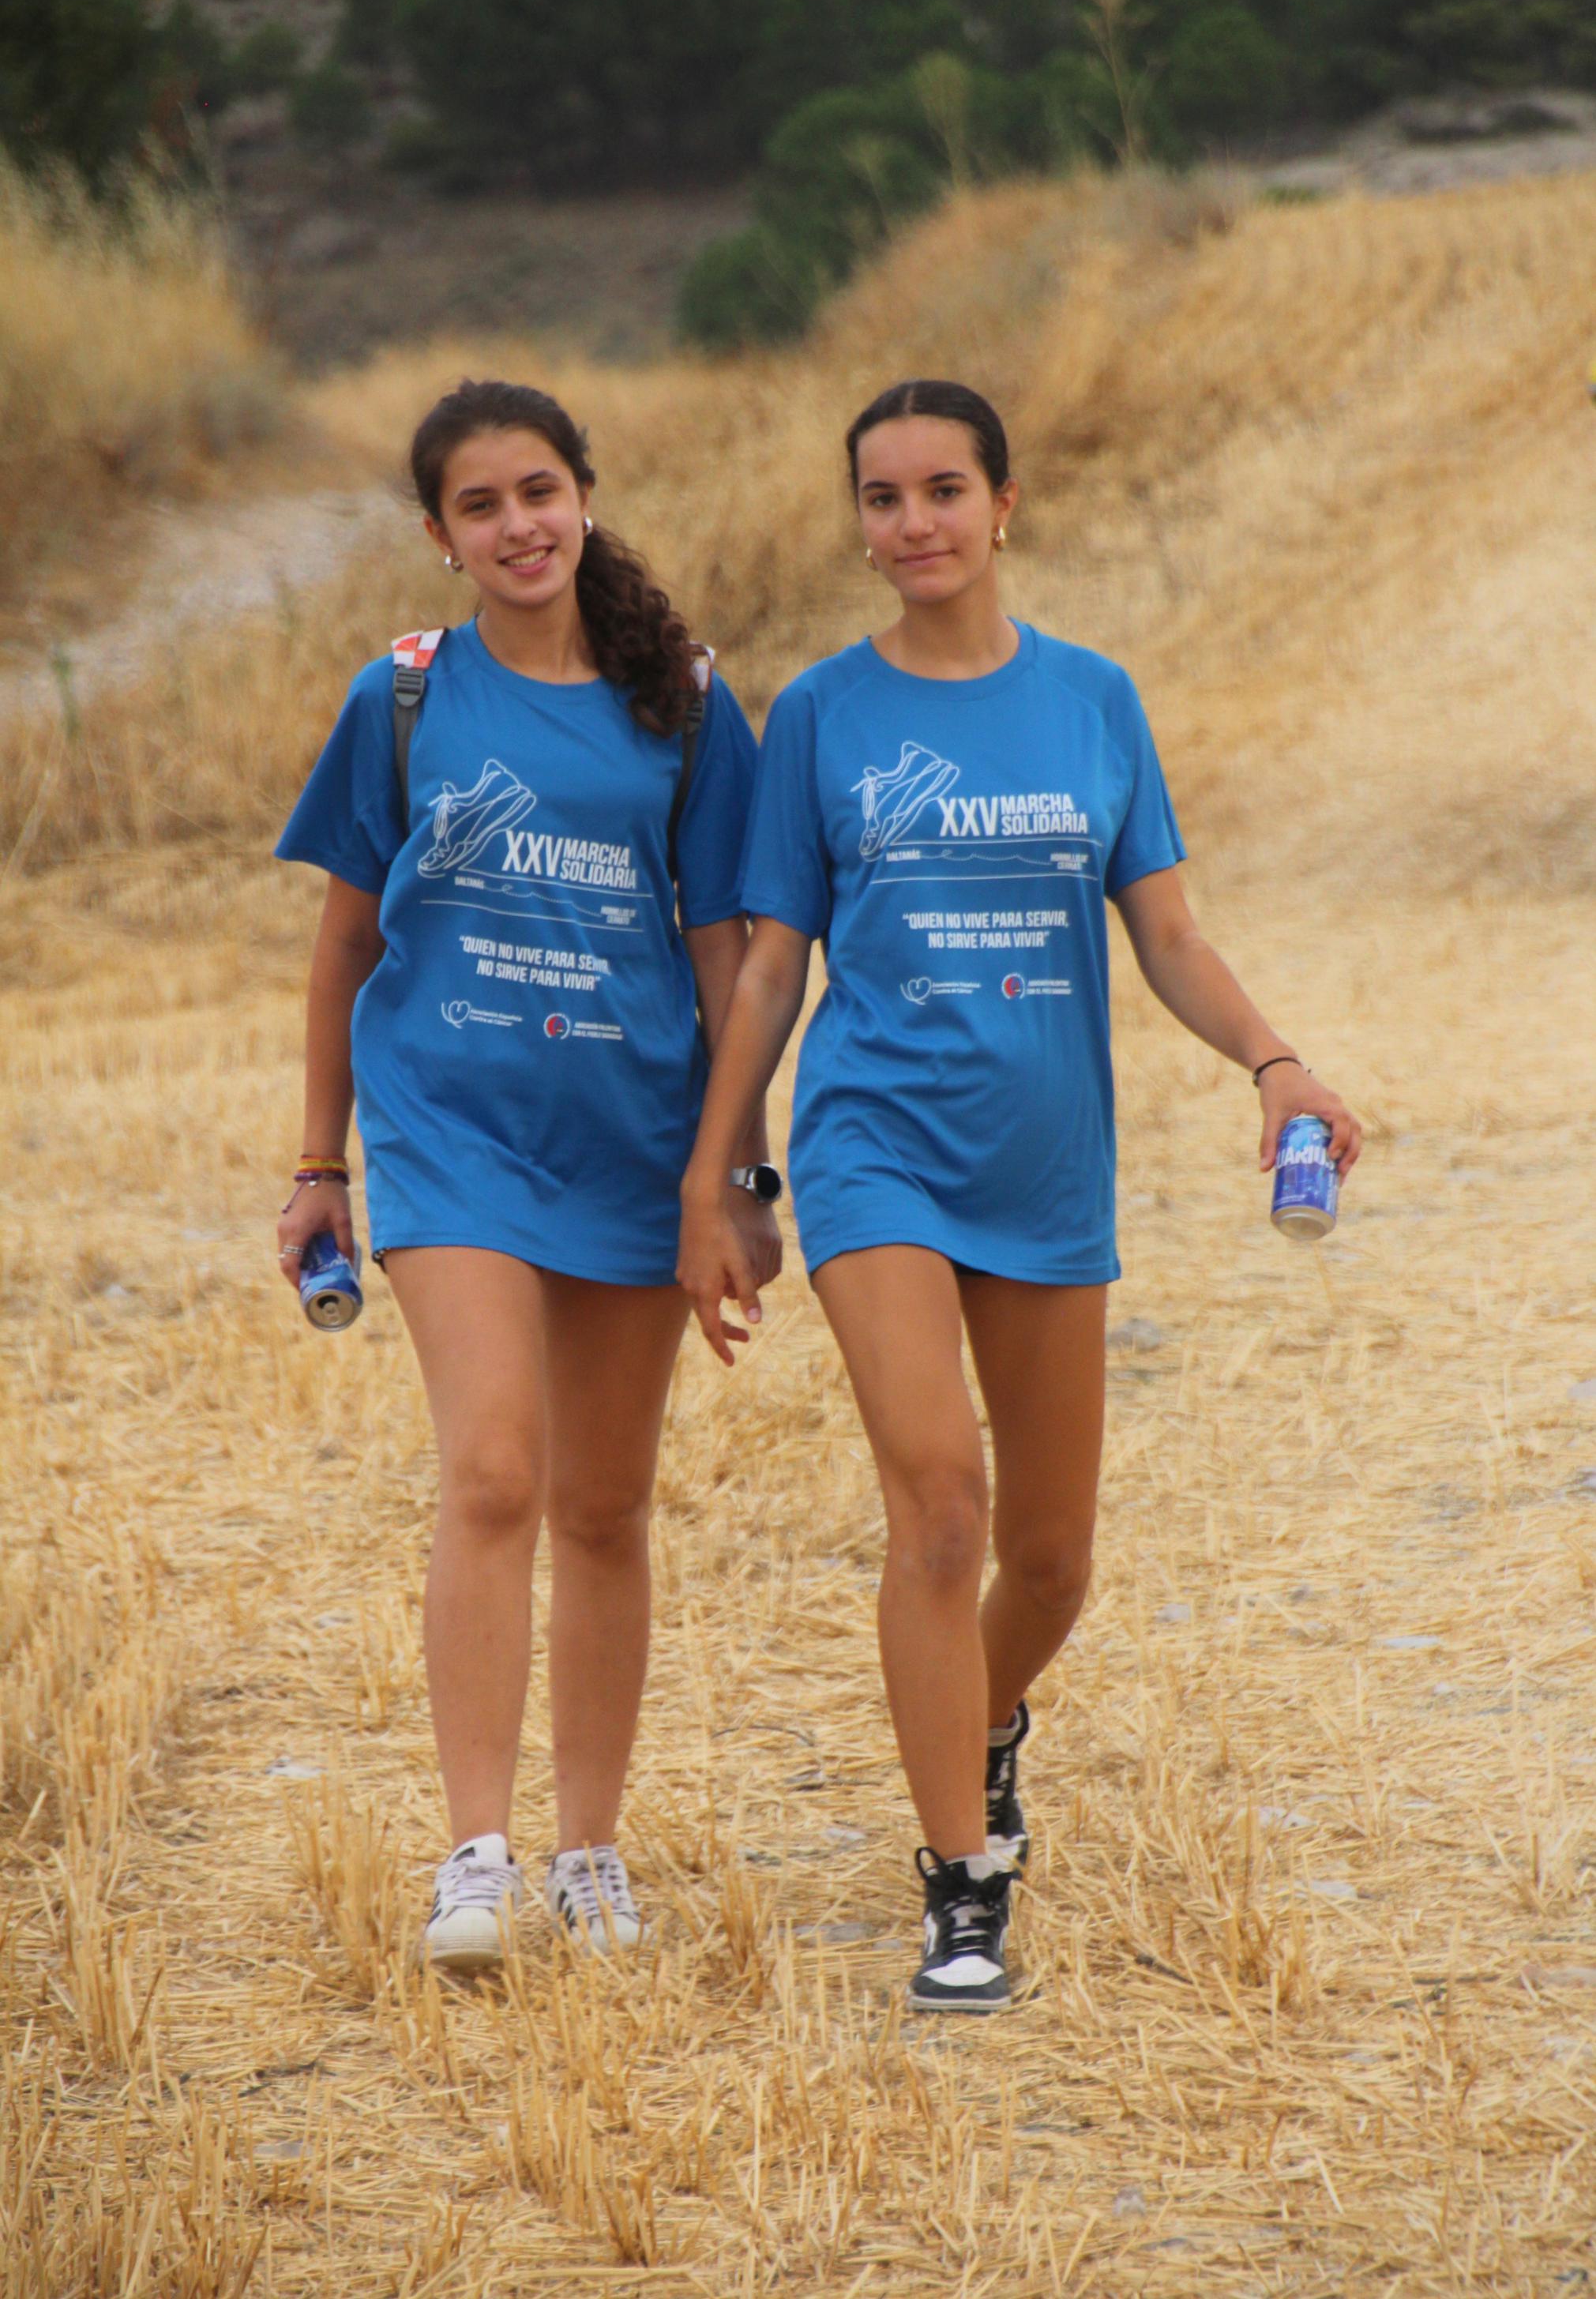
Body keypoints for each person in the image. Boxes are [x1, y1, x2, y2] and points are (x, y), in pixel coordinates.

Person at [677, 378, 1361, 2014]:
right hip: (875, 1149)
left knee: (1051, 1563)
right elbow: (772, 968)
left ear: (1005, 505)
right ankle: (960, 1880)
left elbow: (1172, 936)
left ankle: (978, 1721)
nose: (911, 523)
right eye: (882, 497)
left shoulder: (1094, 701)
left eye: (941, 490)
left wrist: (1277, 1063)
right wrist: (728, 1173)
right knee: (942, 1500)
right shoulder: (825, 715)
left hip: (1049, 1164)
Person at [274, 379, 779, 1972]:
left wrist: (736, 1176)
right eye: (480, 505)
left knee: (608, 1504)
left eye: (540, 490)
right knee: (494, 1471)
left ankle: (588, 1856)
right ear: (439, 536)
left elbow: (728, 954)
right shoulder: (406, 695)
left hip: (634, 1144)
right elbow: (347, 939)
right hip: (452, 1131)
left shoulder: (684, 697)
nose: (518, 526)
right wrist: (317, 1160)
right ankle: (475, 1859)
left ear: (584, 493)